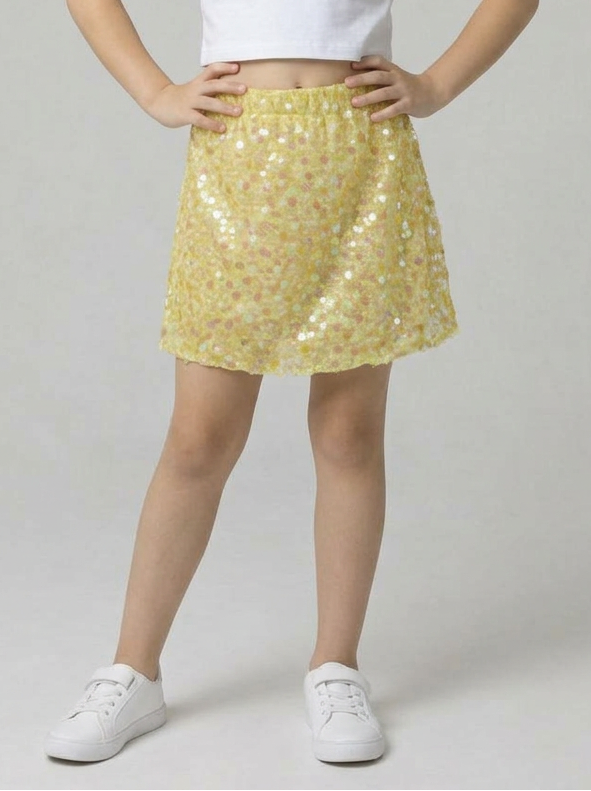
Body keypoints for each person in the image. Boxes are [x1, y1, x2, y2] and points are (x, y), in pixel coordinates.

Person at [45, 0, 540, 764]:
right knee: (198, 440)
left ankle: (335, 665)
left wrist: (437, 84)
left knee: (346, 436)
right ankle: (132, 670)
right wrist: (154, 90)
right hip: (238, 155)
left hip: (360, 158)